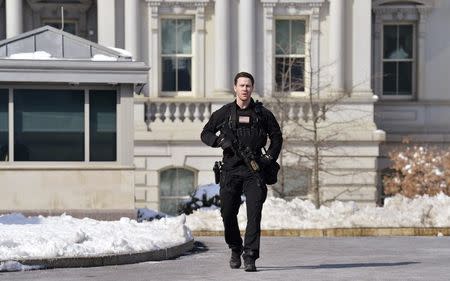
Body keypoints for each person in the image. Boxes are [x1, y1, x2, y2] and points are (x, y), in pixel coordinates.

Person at [200, 72, 282, 272]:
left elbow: (277, 137)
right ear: (235, 88)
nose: (245, 89)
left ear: (252, 88)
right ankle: (235, 248)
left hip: (255, 171)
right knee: (228, 213)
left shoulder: (263, 114)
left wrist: (268, 157)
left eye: (248, 85)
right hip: (230, 170)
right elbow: (206, 133)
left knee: (254, 214)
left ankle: (250, 256)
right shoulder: (225, 113)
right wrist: (219, 141)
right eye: (242, 85)